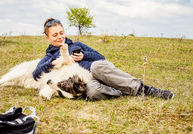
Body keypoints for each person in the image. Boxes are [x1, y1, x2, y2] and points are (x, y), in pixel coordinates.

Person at [32, 18, 174, 100]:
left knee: (96, 66)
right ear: (48, 38)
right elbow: (36, 74)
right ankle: (120, 90)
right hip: (86, 81)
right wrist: (51, 63)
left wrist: (84, 56)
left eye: (61, 33)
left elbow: (101, 58)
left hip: (98, 71)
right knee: (92, 91)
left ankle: (147, 90)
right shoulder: (49, 56)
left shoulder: (76, 45)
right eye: (55, 35)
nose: (59, 37)